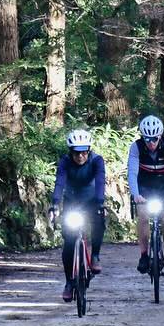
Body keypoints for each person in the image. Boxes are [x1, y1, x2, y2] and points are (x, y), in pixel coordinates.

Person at [49, 128, 106, 302]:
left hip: (91, 199)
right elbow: (60, 182)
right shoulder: (65, 162)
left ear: (88, 151)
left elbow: (101, 181)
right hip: (72, 201)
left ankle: (95, 255)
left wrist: (100, 202)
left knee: (99, 220)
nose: (80, 156)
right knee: (69, 241)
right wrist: (55, 204)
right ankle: (69, 282)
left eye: (83, 153)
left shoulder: (97, 161)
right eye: (76, 153)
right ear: (70, 152)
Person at [128, 114, 164, 277]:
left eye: (154, 139)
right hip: (145, 186)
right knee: (143, 216)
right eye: (147, 139)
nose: (151, 143)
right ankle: (144, 255)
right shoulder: (136, 147)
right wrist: (135, 194)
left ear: (160, 136)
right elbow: (132, 172)